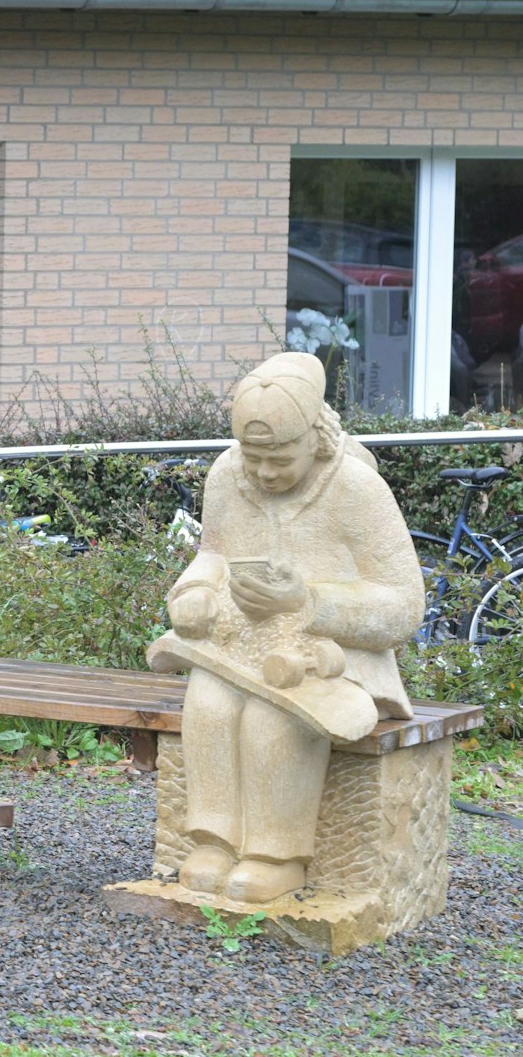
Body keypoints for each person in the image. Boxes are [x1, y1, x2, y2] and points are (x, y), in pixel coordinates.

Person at [153, 353, 422, 904]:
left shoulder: (357, 489)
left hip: (337, 655)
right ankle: (214, 839)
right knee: (208, 700)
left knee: (274, 713)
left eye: (279, 458)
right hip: (241, 645)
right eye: (254, 458)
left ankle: (276, 853)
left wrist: (309, 600)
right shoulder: (228, 476)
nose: (263, 473)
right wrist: (195, 594)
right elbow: (213, 555)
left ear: (315, 438)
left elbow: (404, 606)